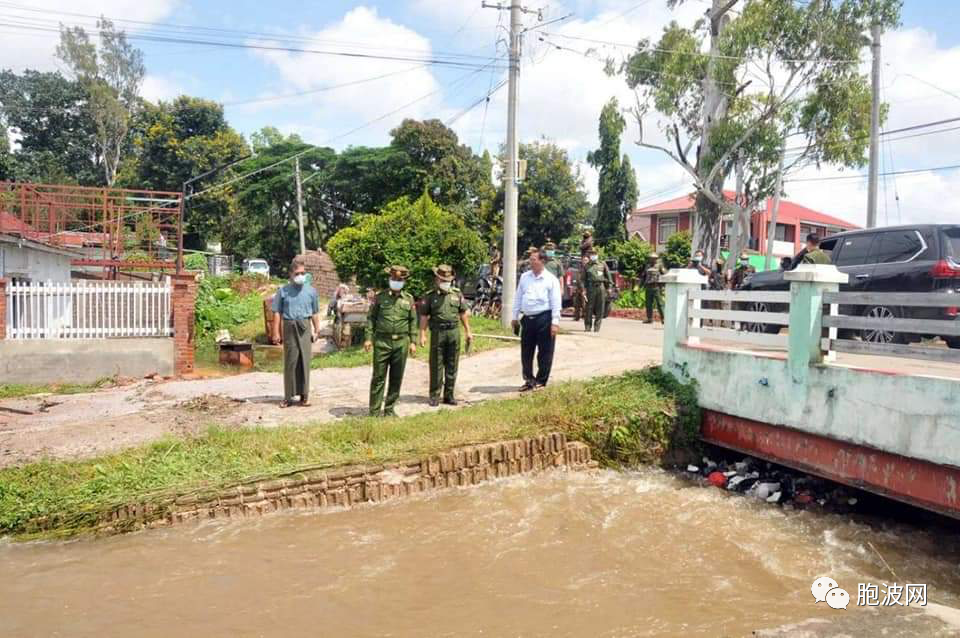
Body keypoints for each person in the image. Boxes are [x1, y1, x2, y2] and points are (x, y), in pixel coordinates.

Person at [365, 265, 418, 417]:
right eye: (394, 279)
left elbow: (412, 321)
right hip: (382, 342)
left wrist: (413, 341)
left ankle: (389, 409)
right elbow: (371, 319)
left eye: (399, 280)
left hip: (401, 343)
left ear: (404, 281)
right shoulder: (380, 298)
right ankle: (374, 412)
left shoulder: (409, 299)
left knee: (396, 377)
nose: (396, 281)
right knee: (378, 377)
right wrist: (368, 338)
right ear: (390, 279)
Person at [419, 265, 473, 407]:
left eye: (448, 280)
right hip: (438, 332)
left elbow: (463, 313)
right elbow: (424, 316)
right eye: (443, 279)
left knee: (452, 364)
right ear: (437, 279)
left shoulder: (456, 294)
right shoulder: (430, 296)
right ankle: (434, 395)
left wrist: (468, 331)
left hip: (454, 332)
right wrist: (423, 334)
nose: (446, 282)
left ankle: (449, 395)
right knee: (436, 364)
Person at [271, 256, 321, 408]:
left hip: (305, 326)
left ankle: (304, 396)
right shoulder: (283, 291)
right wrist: (276, 333)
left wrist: (317, 329)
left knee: (304, 361)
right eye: (297, 273)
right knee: (291, 361)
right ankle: (287, 397)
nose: (301, 276)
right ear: (291, 275)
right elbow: (277, 312)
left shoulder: (311, 291)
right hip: (289, 326)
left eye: (303, 273)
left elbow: (314, 312)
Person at [512, 249, 562, 392]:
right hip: (528, 318)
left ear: (542, 261)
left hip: (544, 318)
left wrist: (555, 322)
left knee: (545, 352)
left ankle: (541, 380)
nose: (531, 262)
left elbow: (556, 302)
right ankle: (528, 379)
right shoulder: (524, 277)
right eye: (530, 259)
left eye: (534, 259)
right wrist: (515, 317)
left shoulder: (551, 279)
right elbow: (518, 297)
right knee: (526, 351)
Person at [582, 247, 613, 333]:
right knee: (589, 308)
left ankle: (597, 327)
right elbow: (583, 279)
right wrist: (583, 289)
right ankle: (587, 326)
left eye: (594, 254)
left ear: (597, 254)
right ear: (589, 255)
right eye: (591, 254)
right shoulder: (587, 266)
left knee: (600, 308)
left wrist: (609, 288)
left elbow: (608, 276)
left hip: (601, 287)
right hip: (590, 288)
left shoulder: (602, 264)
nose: (593, 255)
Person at [643, 253, 666, 324]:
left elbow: (664, 275)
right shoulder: (647, 266)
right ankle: (649, 318)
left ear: (656, 259)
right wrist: (638, 286)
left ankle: (664, 319)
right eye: (651, 258)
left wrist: (663, 286)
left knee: (660, 304)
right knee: (648, 304)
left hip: (656, 287)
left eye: (654, 258)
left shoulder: (659, 266)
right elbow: (643, 276)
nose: (652, 259)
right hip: (648, 287)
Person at [572, 254, 589, 322]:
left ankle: (586, 317)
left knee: (584, 304)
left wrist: (584, 289)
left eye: (586, 260)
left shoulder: (589, 269)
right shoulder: (580, 268)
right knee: (576, 304)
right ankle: (577, 317)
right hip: (578, 289)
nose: (584, 261)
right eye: (583, 260)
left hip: (585, 289)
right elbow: (578, 278)